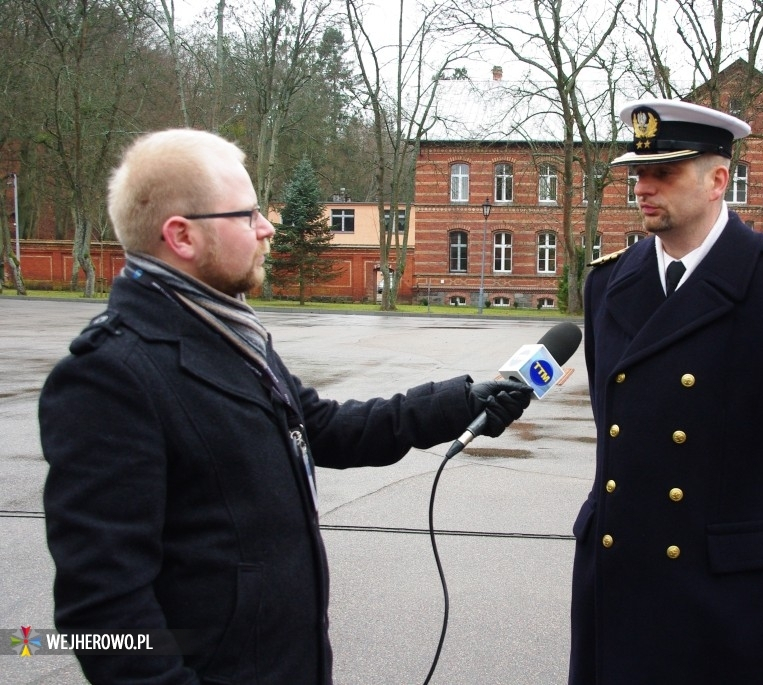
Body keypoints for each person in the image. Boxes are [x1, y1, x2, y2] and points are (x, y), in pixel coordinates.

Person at [38, 128, 532, 685]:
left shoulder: (229, 334)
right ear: (181, 236)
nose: (267, 227)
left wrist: (459, 403)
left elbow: (322, 427)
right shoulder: (109, 377)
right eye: (247, 215)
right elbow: (102, 616)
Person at [569, 100, 763, 684]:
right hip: (617, 577)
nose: (644, 187)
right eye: (638, 173)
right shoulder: (608, 283)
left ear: (718, 179)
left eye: (665, 172)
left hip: (732, 600)